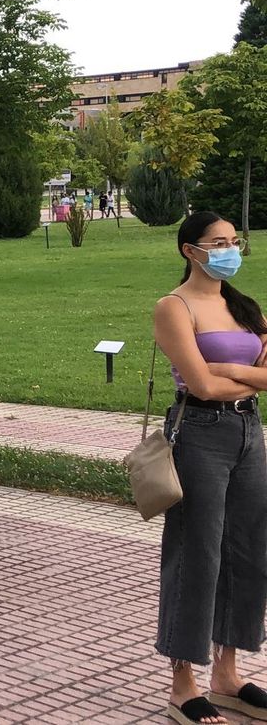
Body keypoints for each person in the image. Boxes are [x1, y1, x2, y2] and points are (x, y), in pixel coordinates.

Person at [150, 212, 267, 725]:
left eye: (234, 241)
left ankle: (227, 674)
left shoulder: (246, 307)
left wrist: (227, 369)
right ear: (188, 250)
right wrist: (247, 376)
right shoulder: (173, 307)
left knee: (249, 552)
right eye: (217, 242)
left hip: (250, 434)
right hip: (198, 434)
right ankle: (183, 682)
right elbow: (200, 387)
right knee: (198, 552)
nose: (229, 249)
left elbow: (224, 377)